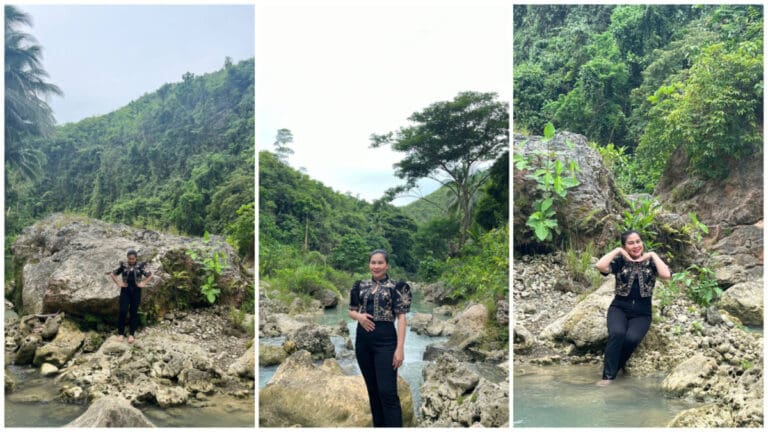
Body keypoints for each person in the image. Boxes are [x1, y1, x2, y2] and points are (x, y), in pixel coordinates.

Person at [594, 230, 670, 386]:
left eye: (638, 241)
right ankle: (608, 377)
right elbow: (600, 265)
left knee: (631, 339)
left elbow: (666, 275)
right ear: (625, 246)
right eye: (630, 243)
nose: (636, 245)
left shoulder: (651, 263)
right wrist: (618, 251)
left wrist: (653, 255)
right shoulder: (620, 262)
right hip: (619, 308)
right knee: (617, 333)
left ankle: (617, 365)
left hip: (642, 313)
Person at [348, 249, 411, 427]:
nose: (376, 266)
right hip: (363, 343)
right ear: (369, 265)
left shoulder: (397, 287)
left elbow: (402, 318)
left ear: (387, 265)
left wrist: (400, 349)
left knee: (388, 393)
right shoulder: (359, 285)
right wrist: (359, 317)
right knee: (373, 392)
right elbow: (351, 310)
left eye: (380, 263)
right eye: (373, 263)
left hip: (386, 343)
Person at [109, 249, 154, 343]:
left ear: (136, 258)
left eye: (133, 259)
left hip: (136, 291)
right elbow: (113, 274)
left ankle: (131, 334)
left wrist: (143, 283)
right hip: (125, 290)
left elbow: (150, 275)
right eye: (129, 259)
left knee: (133, 312)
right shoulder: (124, 265)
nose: (131, 260)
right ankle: (121, 333)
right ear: (127, 258)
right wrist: (118, 282)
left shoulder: (140, 266)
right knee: (123, 311)